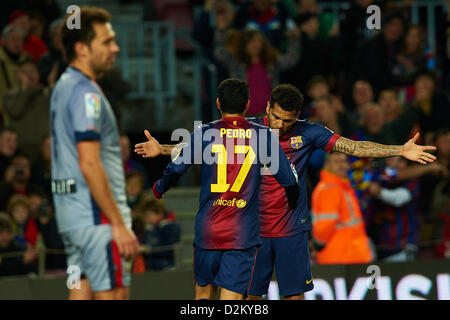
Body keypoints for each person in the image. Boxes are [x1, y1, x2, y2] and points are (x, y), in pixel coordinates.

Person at [135, 83, 437, 300]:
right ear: (267, 107)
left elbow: (355, 147)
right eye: (276, 117)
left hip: (291, 232)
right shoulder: (249, 129)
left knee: (294, 298)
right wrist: (162, 148)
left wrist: (400, 149)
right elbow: (198, 149)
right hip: (251, 233)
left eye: (288, 120)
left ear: (298, 117)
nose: (279, 125)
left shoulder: (310, 133)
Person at [149, 79, 300, 300]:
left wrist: (158, 188)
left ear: (219, 103)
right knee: (232, 300)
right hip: (241, 233)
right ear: (248, 105)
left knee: (202, 295)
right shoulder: (263, 135)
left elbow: (177, 168)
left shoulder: (205, 132)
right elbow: (289, 180)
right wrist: (293, 201)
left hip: (208, 229)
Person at [51, 7, 139, 300]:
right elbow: (89, 162)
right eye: (106, 41)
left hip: (73, 219)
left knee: (81, 289)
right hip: (97, 219)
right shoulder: (86, 94)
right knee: (115, 295)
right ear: (82, 48)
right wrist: (116, 222)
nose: (115, 48)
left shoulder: (63, 85)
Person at [311, 152, 374, 264]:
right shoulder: (329, 189)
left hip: (352, 256)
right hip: (338, 258)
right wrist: (318, 245)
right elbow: (325, 226)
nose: (341, 165)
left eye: (344, 161)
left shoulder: (343, 187)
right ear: (326, 165)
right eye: (336, 162)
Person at [3, 58, 50, 162]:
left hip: (44, 151)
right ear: (16, 74)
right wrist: (24, 90)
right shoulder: (10, 95)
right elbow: (15, 111)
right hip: (20, 151)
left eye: (32, 71)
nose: (29, 75)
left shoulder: (46, 94)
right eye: (24, 72)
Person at [139, 198, 180, 271]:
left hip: (167, 268)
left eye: (148, 215)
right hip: (152, 269)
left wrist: (148, 249)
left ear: (159, 213)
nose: (146, 219)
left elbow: (168, 248)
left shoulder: (170, 226)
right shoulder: (150, 228)